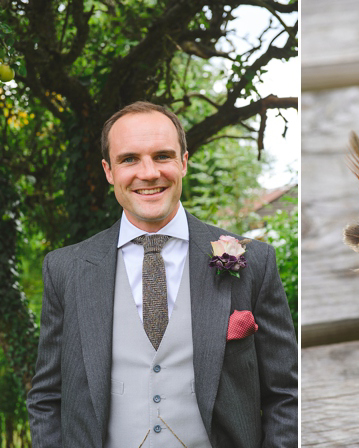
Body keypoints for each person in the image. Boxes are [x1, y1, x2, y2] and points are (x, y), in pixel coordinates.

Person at [26, 101, 298, 447]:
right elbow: (47, 398)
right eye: (129, 159)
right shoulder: (65, 269)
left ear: (183, 162)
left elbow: (286, 393)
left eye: (162, 156)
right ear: (109, 171)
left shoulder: (253, 261)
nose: (149, 172)